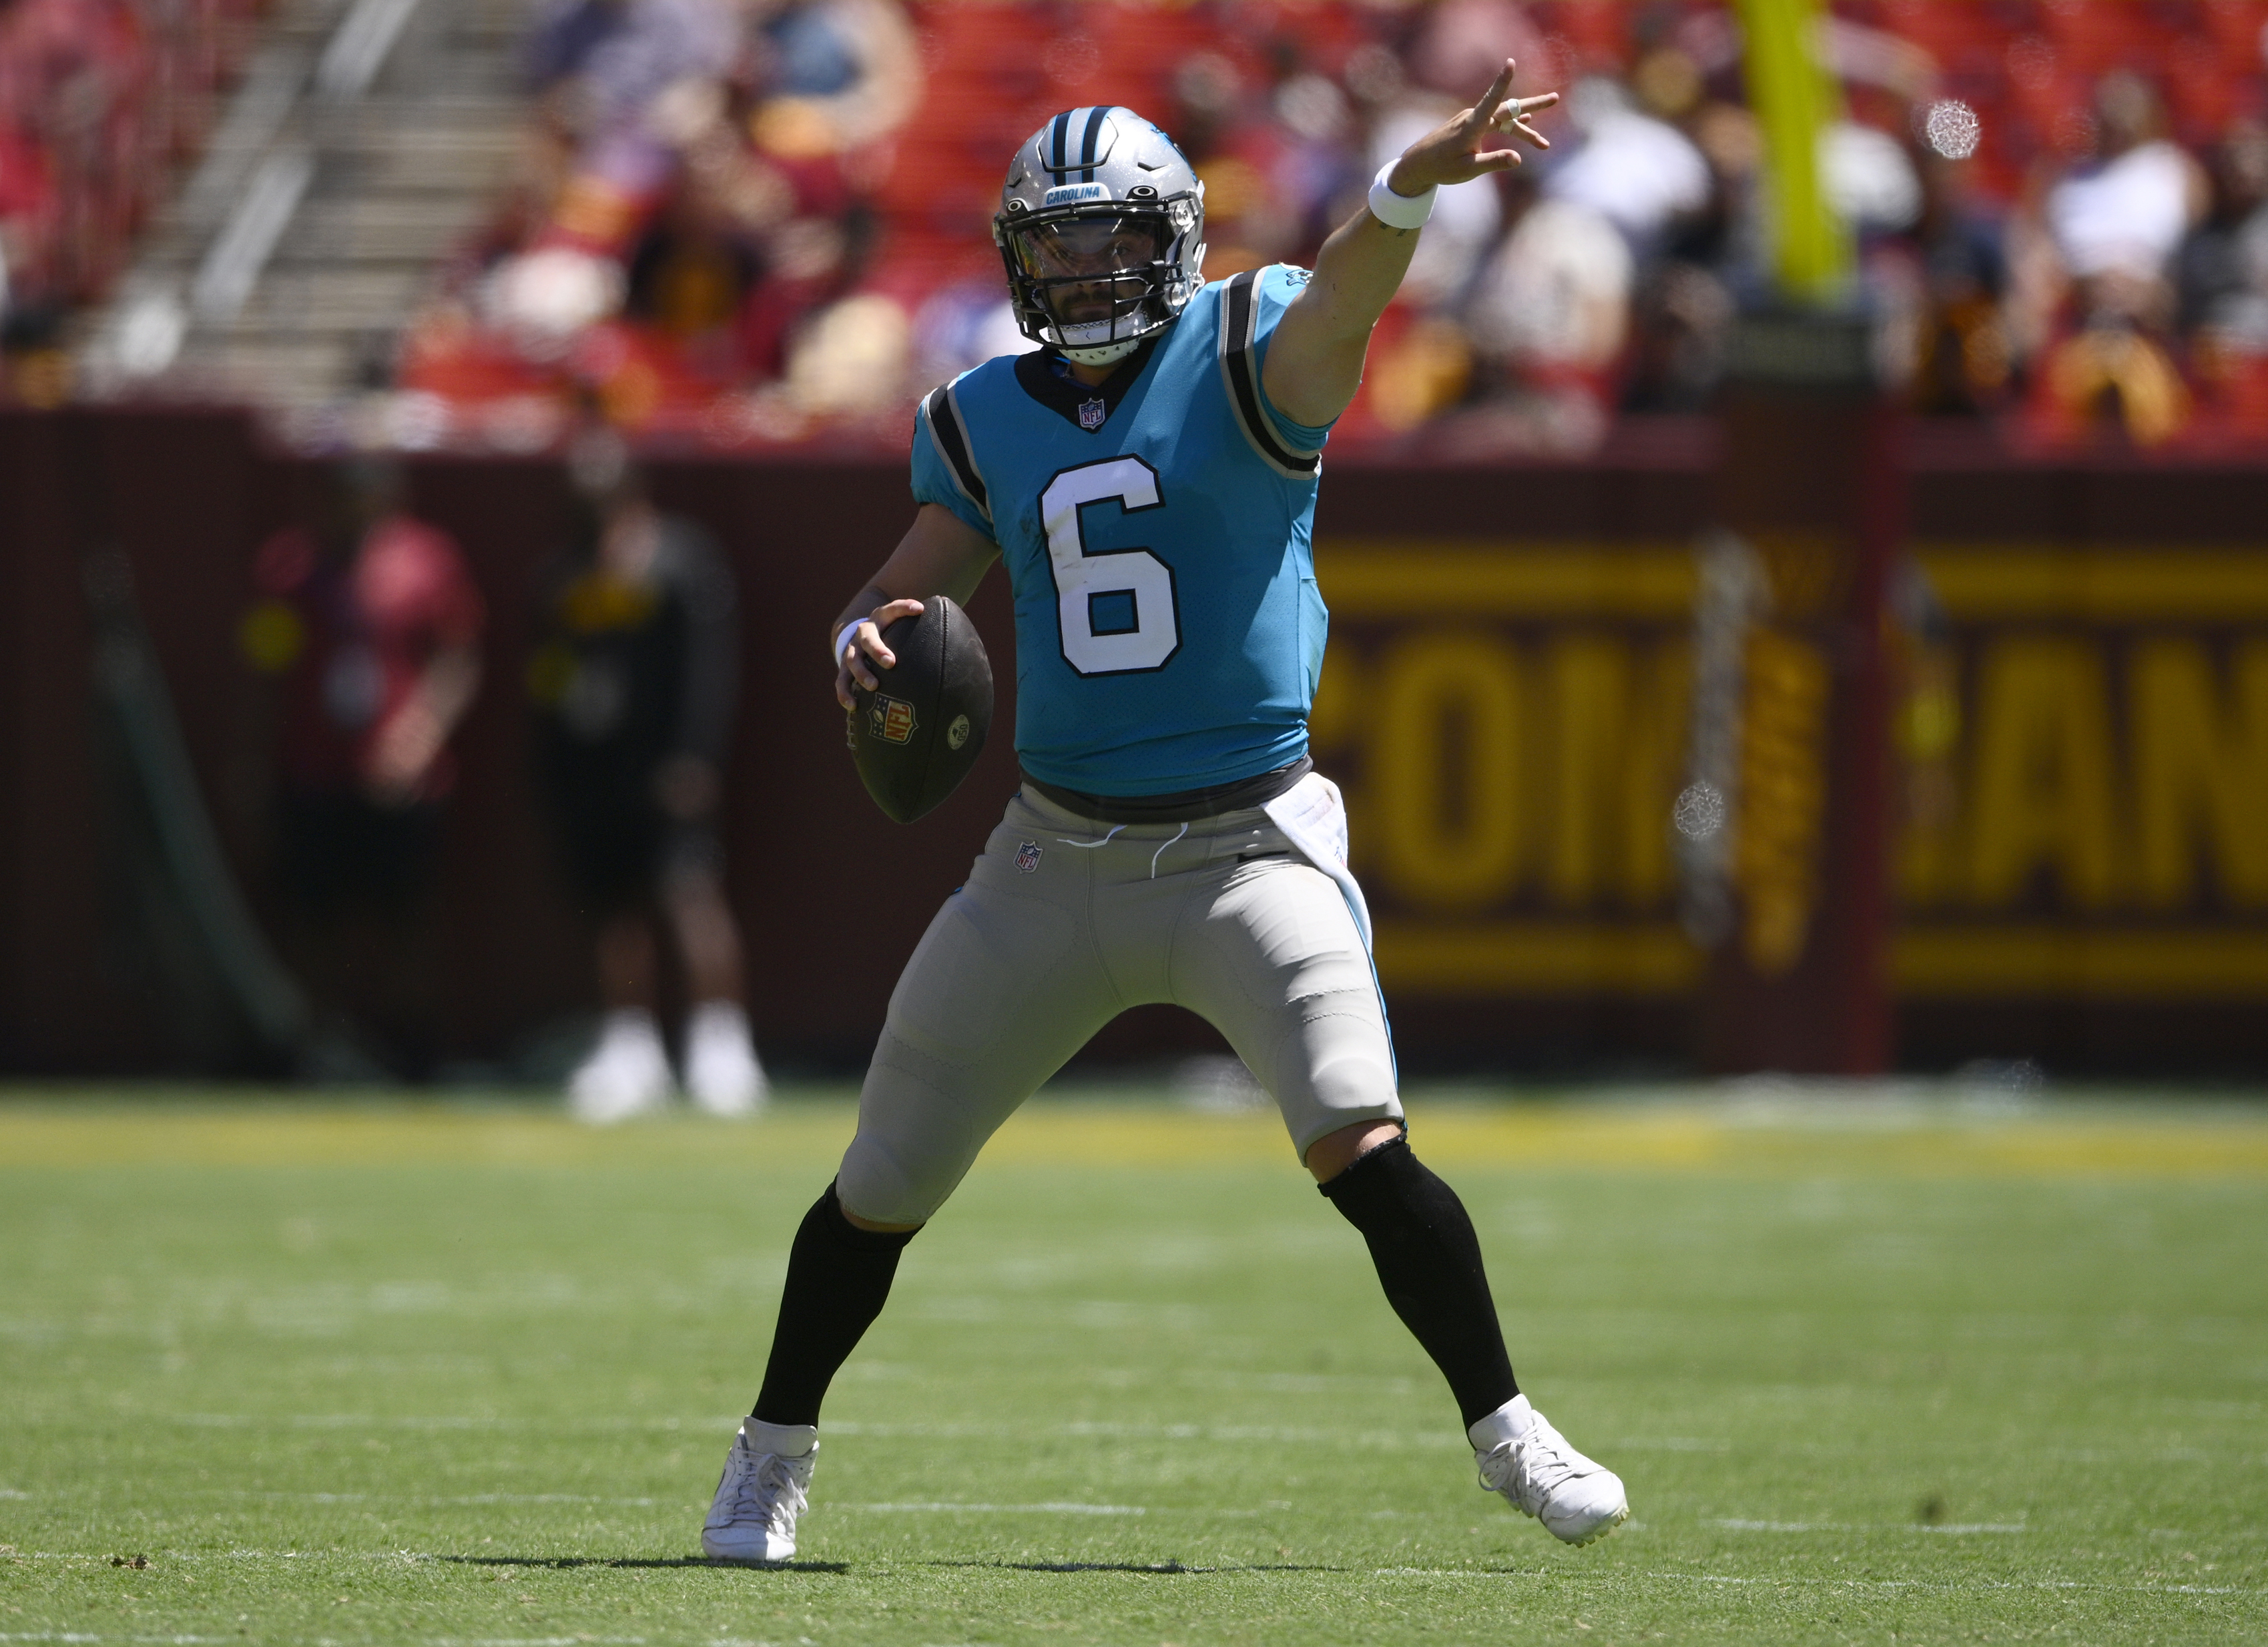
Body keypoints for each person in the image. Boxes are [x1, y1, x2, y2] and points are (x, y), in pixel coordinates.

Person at [699, 67, 1629, 1564]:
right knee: (879, 1182)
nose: (1076, 270)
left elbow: (1344, 298)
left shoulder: (1253, 344)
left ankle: (1507, 1427)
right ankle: (766, 1456)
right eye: (1052, 244)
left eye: (1104, 238)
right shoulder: (983, 413)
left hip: (1246, 845)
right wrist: (856, 639)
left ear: (1176, 239)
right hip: (1049, 854)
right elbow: (895, 591)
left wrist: (1403, 189)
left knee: (1358, 1138)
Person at [532, 427, 768, 1120]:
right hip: (595, 766)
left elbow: (708, 665)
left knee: (689, 895)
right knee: (614, 909)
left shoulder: (681, 561)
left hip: (667, 765)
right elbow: (550, 674)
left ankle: (721, 1048)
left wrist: (696, 754)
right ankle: (630, 1048)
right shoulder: (564, 576)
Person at [245, 459, 484, 1069]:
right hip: (314, 769)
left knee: (406, 919)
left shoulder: (424, 559)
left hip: (401, 780)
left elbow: (459, 656)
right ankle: (317, 1048)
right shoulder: (289, 566)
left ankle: (411, 1052)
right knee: (313, 918)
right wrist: (251, 755)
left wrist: (420, 734)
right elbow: (265, 665)